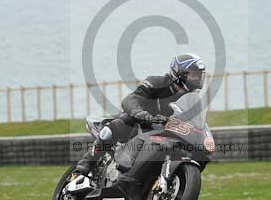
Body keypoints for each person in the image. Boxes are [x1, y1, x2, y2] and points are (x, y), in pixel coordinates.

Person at [74, 53, 207, 176]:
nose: (197, 79)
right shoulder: (158, 83)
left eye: (199, 75)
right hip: (139, 122)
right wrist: (140, 113)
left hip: (162, 132)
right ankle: (87, 161)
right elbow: (131, 99)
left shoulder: (191, 99)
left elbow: (194, 121)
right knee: (113, 128)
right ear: (179, 73)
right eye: (193, 75)